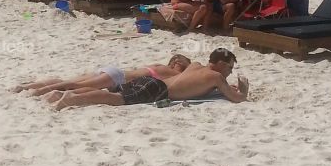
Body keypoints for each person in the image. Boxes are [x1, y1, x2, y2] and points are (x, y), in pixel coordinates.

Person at [48, 48, 249, 111]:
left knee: (115, 93)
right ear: (221, 64)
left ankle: (66, 93)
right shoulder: (216, 77)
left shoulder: (196, 65)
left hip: (152, 82)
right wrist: (244, 89)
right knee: (115, 99)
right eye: (229, 67)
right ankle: (71, 98)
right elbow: (237, 98)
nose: (230, 72)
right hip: (158, 90)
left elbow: (194, 84)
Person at [14, 52, 191, 97]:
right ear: (177, 63)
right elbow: (185, 78)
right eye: (184, 67)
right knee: (76, 86)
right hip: (117, 77)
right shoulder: (169, 71)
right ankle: (37, 92)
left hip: (114, 71)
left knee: (68, 80)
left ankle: (27, 86)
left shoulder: (156, 65)